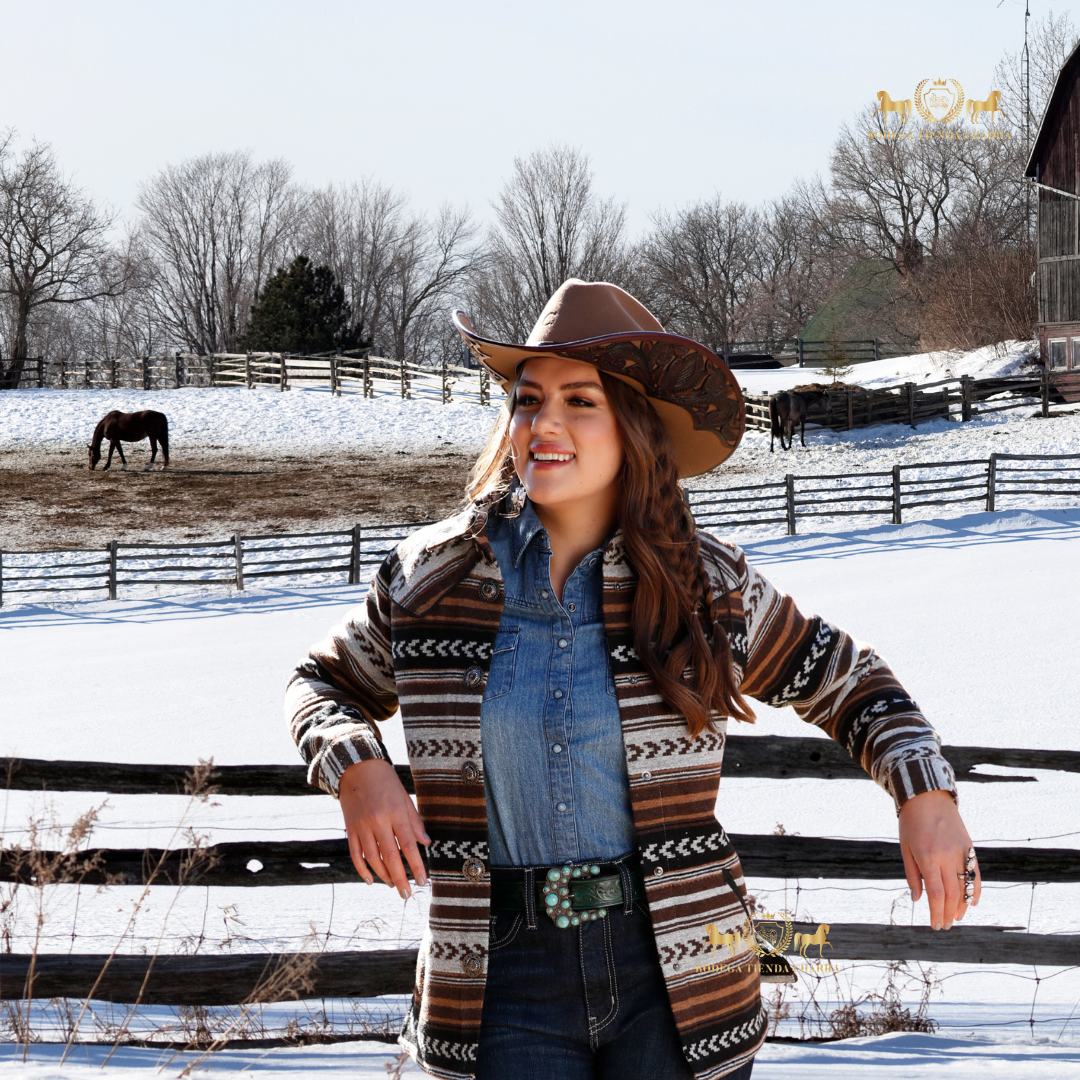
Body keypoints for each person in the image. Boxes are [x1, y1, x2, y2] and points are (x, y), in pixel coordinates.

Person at [284, 279, 980, 1080]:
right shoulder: (429, 579)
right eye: (528, 400)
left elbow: (850, 680)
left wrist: (926, 796)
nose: (543, 423)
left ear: (633, 427)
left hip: (685, 968)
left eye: (579, 401)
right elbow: (318, 683)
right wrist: (358, 769)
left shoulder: (707, 586)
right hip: (497, 975)